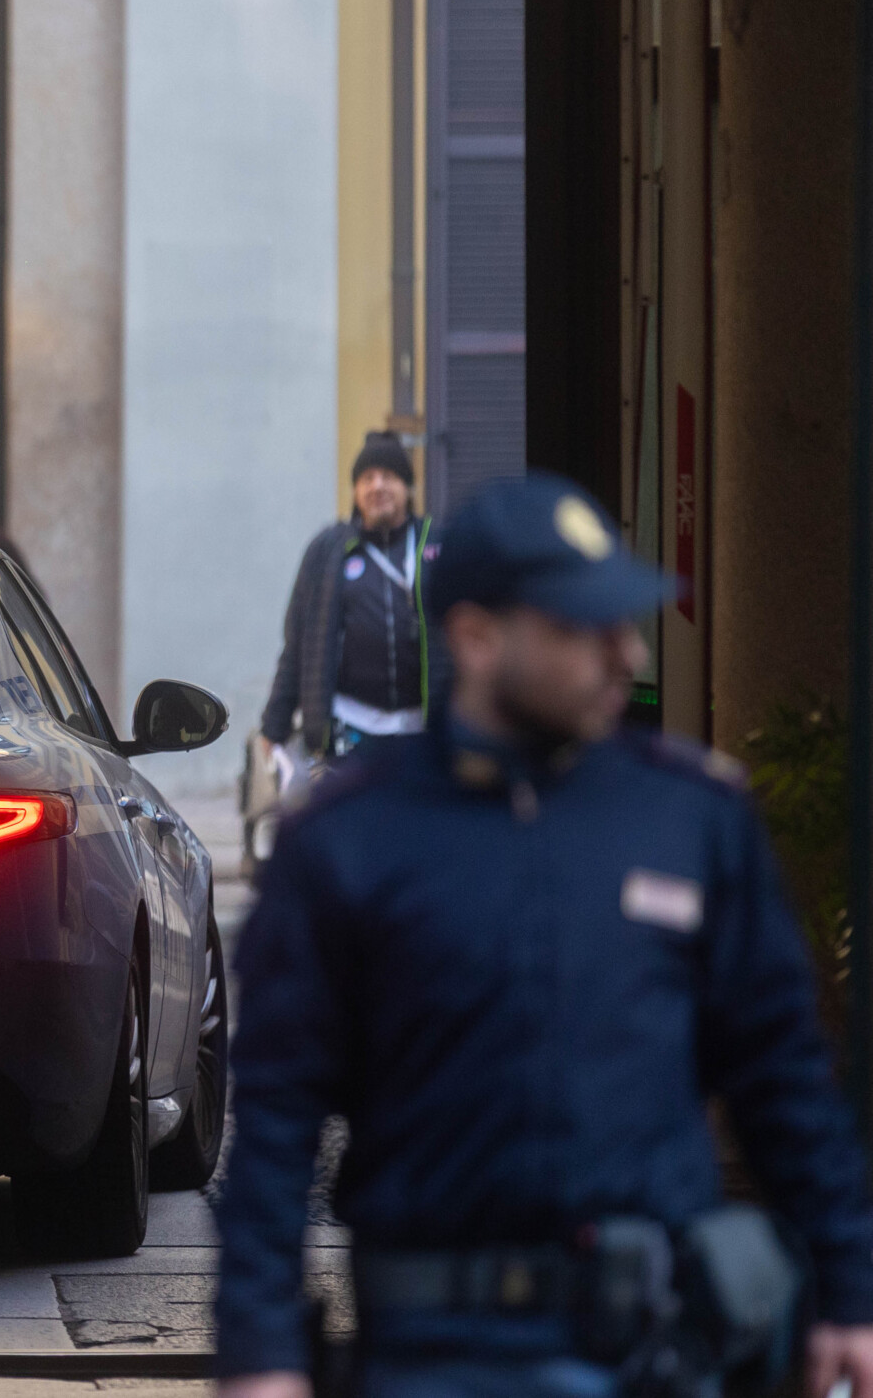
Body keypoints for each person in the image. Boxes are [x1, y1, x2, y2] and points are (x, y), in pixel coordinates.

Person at [216, 473, 873, 1398]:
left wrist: (849, 1292)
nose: (627, 654)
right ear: (478, 639)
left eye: (626, 623)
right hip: (429, 1353)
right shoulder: (349, 839)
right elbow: (277, 1119)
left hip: (654, 1350)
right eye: (584, 629)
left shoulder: (690, 818)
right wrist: (259, 1348)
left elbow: (784, 1078)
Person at [262, 430, 434, 763]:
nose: (377, 486)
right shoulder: (327, 550)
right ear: (355, 491)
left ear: (408, 487)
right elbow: (298, 644)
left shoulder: (435, 545)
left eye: (389, 476)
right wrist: (274, 726)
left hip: (421, 732)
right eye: (367, 478)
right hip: (349, 729)